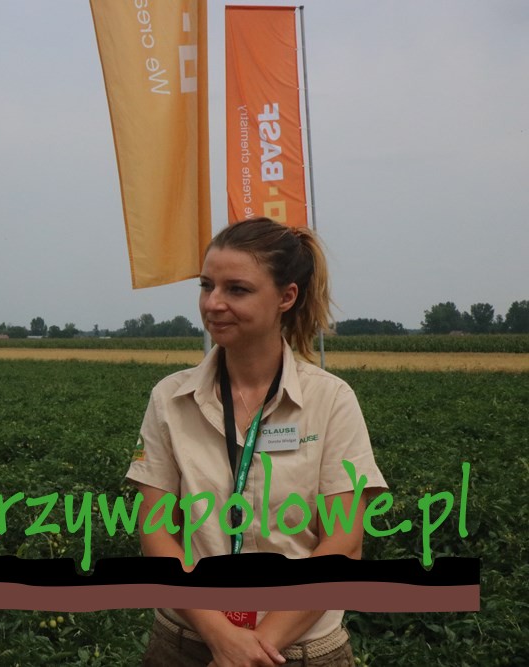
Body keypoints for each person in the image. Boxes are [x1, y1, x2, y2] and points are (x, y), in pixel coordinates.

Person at [127, 217, 387, 667]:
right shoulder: (170, 399)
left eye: (237, 289)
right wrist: (221, 637)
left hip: (299, 650)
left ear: (287, 296)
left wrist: (256, 647)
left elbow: (344, 543)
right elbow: (156, 529)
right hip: (185, 645)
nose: (213, 303)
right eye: (207, 286)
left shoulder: (330, 401)